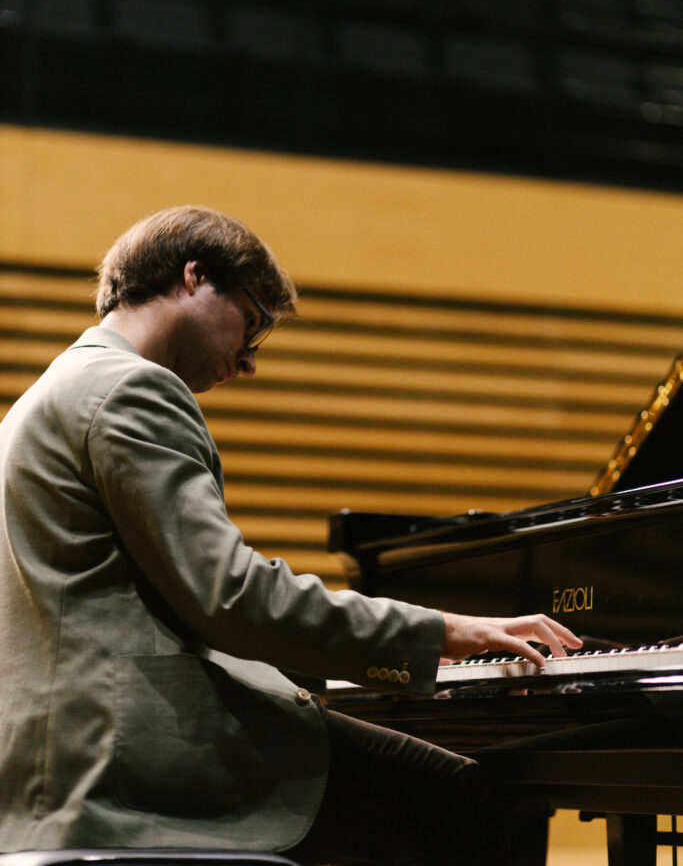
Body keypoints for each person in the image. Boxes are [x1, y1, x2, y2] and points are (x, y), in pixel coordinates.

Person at [0, 206, 581, 864]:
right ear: (194, 277)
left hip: (55, 758)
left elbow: (164, 606)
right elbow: (232, 598)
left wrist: (358, 661)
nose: (249, 362)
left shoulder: (51, 392)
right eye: (253, 323)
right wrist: (443, 632)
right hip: (127, 758)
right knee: (463, 797)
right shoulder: (131, 389)